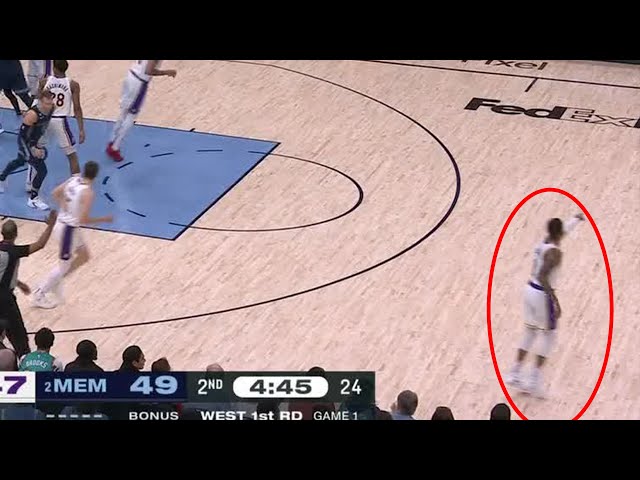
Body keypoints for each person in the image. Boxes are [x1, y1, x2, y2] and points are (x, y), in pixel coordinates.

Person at [504, 213, 585, 398]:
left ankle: (514, 373)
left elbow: (563, 231)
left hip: (529, 290)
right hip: (542, 293)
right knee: (549, 337)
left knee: (530, 332)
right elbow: (543, 276)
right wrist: (555, 300)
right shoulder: (555, 253)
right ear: (559, 233)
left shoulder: (545, 242)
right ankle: (533, 381)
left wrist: (575, 220)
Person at [32, 161, 113, 308]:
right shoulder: (88, 192)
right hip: (67, 230)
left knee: (84, 255)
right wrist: (103, 219)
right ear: (95, 176)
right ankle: (40, 292)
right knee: (64, 266)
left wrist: (63, 204)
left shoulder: (73, 180)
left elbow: (55, 193)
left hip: (67, 226)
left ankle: (56, 281)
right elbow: (84, 219)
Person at [0, 211, 57, 357]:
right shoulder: (14, 251)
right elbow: (40, 244)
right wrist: (51, 225)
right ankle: (24, 364)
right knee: (20, 339)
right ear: (16, 234)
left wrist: (18, 283)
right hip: (5, 300)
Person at [106, 60, 177, 162]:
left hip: (131, 75)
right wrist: (167, 72)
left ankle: (112, 140)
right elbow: (148, 70)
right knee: (131, 116)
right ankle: (114, 147)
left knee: (123, 111)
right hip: (138, 84)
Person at [0, 89, 55, 210]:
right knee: (42, 170)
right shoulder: (32, 115)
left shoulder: (52, 108)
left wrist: (41, 141)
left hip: (35, 140)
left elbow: (43, 126)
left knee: (20, 161)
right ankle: (33, 199)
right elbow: (23, 136)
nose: (48, 106)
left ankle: (2, 177)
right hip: (25, 141)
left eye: (50, 103)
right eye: (46, 103)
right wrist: (33, 148)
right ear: (40, 101)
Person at [36, 60, 85, 176]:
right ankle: (76, 182)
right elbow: (77, 108)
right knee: (71, 154)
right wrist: (81, 129)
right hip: (60, 121)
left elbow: (38, 101)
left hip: (44, 120)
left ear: (54, 68)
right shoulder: (73, 84)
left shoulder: (44, 82)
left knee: (36, 150)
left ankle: (30, 183)